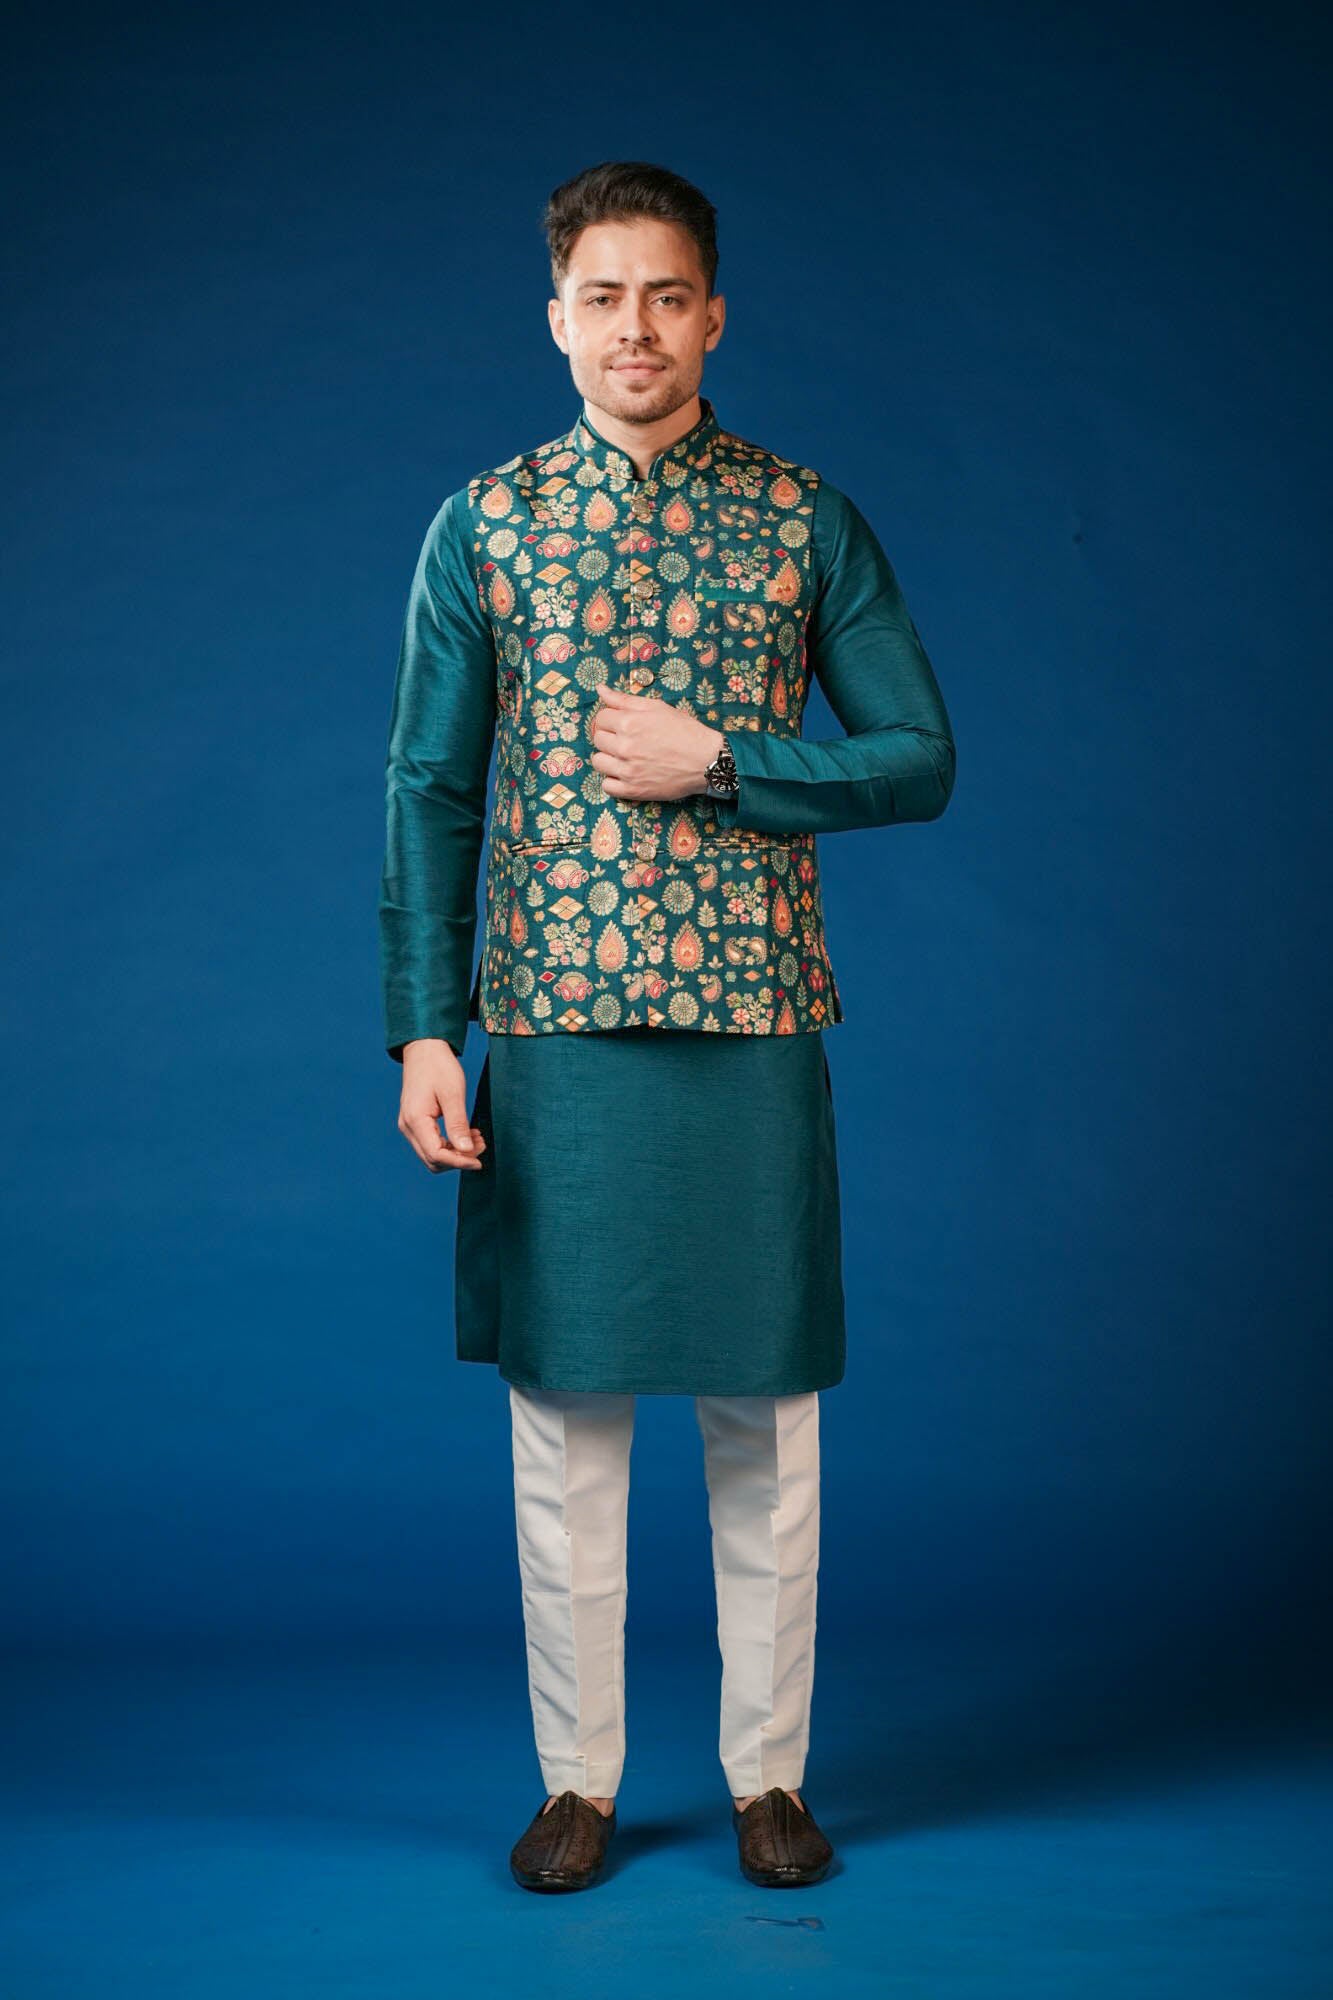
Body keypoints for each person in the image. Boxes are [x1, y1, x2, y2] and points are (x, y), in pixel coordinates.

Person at [378, 160, 956, 1892]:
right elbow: (430, 787)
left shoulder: (802, 518)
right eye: (602, 297)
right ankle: (579, 1782)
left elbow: (917, 757)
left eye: (666, 296)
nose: (634, 327)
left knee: (765, 1410)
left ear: (713, 317)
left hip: (753, 1018)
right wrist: (423, 1032)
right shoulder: (485, 524)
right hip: (554, 1026)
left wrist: (724, 763)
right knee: (564, 1414)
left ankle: (768, 1776)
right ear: (556, 320)